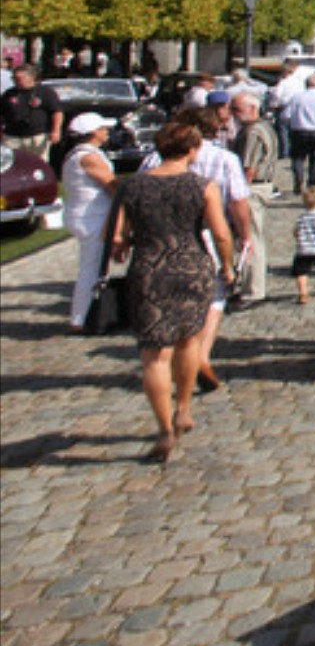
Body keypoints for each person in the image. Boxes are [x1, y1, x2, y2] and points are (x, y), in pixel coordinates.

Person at [108, 120, 234, 462]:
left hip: (149, 267)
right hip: (191, 265)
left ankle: (164, 427)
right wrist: (227, 264)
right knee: (189, 340)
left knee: (154, 354)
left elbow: (118, 236)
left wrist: (122, 247)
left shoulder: (132, 187)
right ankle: (182, 407)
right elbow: (221, 233)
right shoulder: (200, 185)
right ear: (192, 150)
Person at [62, 113, 118, 332]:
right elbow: (110, 184)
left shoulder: (79, 154)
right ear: (94, 132)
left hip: (86, 215)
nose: (106, 131)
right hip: (91, 217)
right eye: (103, 128)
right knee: (91, 267)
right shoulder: (89, 157)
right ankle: (80, 318)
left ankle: (86, 314)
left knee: (94, 267)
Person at [230, 91, 277, 302]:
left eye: (237, 110)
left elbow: (248, 167)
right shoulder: (262, 127)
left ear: (252, 109)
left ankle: (253, 290)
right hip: (260, 186)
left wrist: (238, 192)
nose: (234, 114)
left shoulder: (253, 132)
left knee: (251, 238)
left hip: (253, 187)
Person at [280, 73, 315, 191]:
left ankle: (299, 178)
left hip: (299, 131)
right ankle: (313, 183)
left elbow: (285, 115)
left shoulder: (297, 97)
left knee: (298, 158)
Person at [1, 65, 62, 156]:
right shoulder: (9, 94)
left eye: (18, 78)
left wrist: (56, 130)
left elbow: (56, 112)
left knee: (37, 164)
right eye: (13, 78)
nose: (15, 81)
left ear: (30, 78)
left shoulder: (45, 92)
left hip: (36, 136)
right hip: (12, 136)